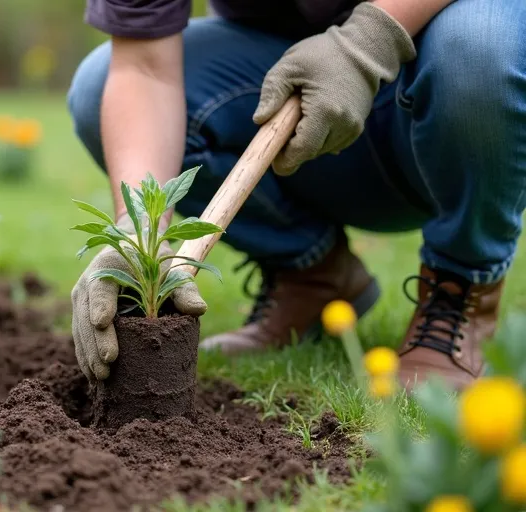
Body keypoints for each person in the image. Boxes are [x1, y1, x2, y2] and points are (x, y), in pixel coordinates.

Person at [67, 0, 525, 392]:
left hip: (454, 95)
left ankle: (462, 287)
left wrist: (366, 42)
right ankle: (312, 273)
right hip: (286, 103)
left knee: (479, 47)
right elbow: (145, 68)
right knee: (97, 85)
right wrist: (135, 233)